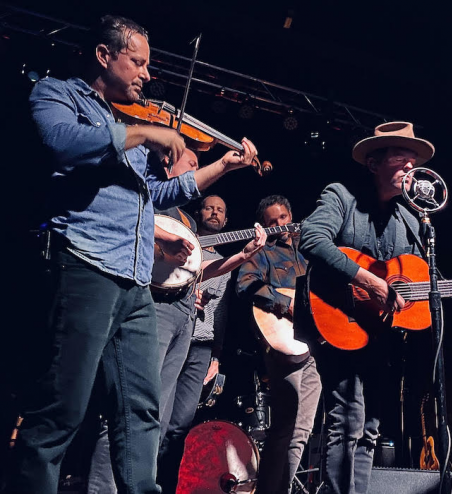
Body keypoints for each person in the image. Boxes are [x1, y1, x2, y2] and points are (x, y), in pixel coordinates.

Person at [5, 15, 261, 494]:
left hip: (136, 282)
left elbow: (158, 195)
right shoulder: (57, 93)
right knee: (63, 406)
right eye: (138, 62)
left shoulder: (132, 119)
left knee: (142, 409)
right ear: (105, 56)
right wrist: (141, 135)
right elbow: (62, 145)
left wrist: (223, 165)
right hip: (85, 264)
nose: (146, 74)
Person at [298, 122, 452, 494]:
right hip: (337, 320)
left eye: (413, 163)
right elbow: (312, 239)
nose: (410, 170)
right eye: (402, 160)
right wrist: (370, 281)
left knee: (370, 428)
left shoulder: (412, 219)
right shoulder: (341, 195)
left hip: (379, 335)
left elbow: (429, 284)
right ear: (374, 163)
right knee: (346, 422)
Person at [87, 152, 266, 494]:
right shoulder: (152, 201)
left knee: (157, 417)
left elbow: (197, 271)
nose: (198, 172)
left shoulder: (184, 218)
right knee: (129, 408)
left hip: (183, 315)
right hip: (154, 309)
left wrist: (243, 256)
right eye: (192, 165)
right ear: (169, 165)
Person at [237, 195, 322, 494]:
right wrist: (287, 303)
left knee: (302, 430)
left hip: (318, 346)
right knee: (285, 427)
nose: (279, 225)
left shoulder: (312, 251)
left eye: (283, 217)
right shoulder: (264, 253)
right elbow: (246, 284)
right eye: (272, 221)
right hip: (285, 342)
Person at [155, 194, 236, 493]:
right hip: (173, 335)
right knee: (158, 417)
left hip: (201, 347)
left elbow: (222, 314)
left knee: (181, 424)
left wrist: (216, 356)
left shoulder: (226, 264)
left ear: (226, 220)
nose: (215, 212)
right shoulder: (180, 245)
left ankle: (167, 485)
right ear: (199, 213)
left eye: (221, 209)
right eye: (210, 207)